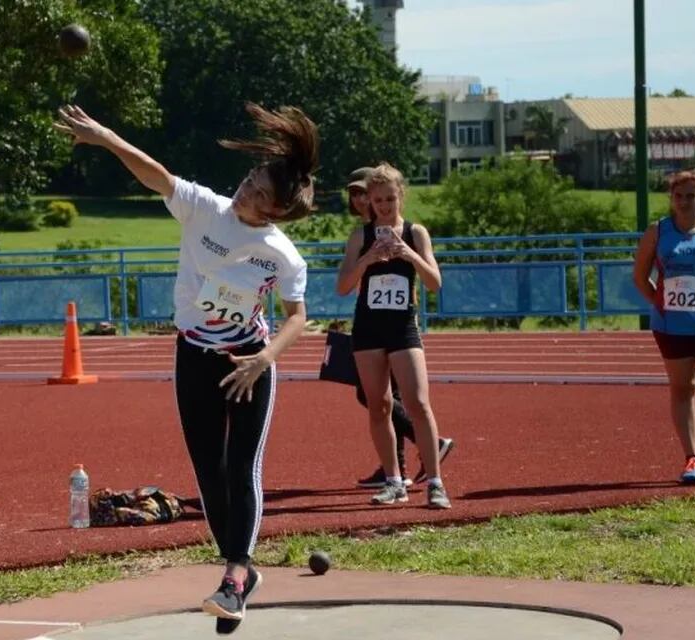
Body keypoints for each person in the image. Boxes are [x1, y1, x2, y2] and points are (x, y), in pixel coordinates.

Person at [55, 102, 317, 631]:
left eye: (260, 193)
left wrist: (265, 358)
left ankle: (236, 576)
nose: (246, 191)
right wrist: (107, 137)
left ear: (275, 211)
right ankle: (238, 567)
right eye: (249, 180)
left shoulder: (283, 255)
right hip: (194, 355)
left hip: (247, 362)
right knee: (208, 472)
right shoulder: (204, 208)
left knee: (243, 468)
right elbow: (158, 176)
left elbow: (298, 317)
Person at [335, 162, 451, 509]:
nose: (385, 206)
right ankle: (393, 481)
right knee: (379, 405)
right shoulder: (360, 236)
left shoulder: (417, 233)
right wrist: (367, 259)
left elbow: (434, 282)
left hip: (403, 327)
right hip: (368, 328)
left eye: (390, 199)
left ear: (401, 196)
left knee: (417, 402)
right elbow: (342, 287)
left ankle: (435, 482)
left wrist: (408, 253)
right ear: (369, 201)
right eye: (378, 201)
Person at [633, 167, 695, 485]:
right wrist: (659, 303)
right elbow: (640, 275)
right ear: (671, 199)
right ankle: (692, 458)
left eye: (691, 195)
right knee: (683, 388)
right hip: (671, 327)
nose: (684, 201)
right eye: (678, 196)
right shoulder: (659, 231)